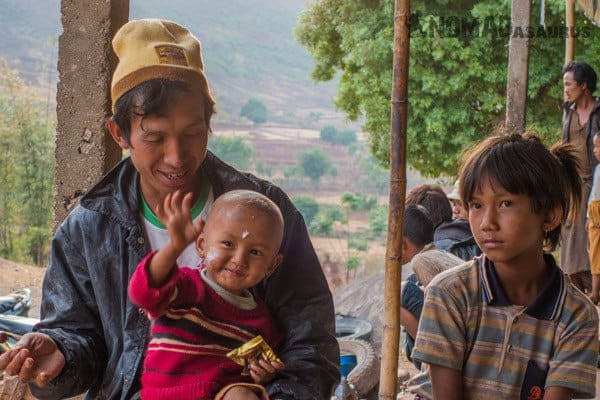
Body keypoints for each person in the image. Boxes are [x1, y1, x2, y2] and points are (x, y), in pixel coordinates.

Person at [0, 19, 338, 400]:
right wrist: (61, 355)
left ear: (209, 124)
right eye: (155, 137)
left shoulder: (269, 216)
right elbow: (80, 338)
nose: (177, 158)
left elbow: (312, 346)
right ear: (120, 134)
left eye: (192, 133)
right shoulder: (89, 228)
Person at [411, 133, 599, 399]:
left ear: (550, 215)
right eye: (476, 205)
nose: (487, 222)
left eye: (505, 203)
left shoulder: (576, 316)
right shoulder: (449, 294)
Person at [128, 189, 286, 400]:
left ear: (271, 267)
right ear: (201, 245)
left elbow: (254, 372)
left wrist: (265, 374)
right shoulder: (184, 288)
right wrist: (173, 248)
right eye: (228, 244)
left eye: (255, 252)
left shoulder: (262, 324)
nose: (239, 259)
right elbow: (143, 293)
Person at [399, 204, 464, 370]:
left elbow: (437, 308)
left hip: (455, 330)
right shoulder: (437, 252)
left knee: (399, 293)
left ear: (403, 244)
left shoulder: (420, 261)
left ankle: (427, 363)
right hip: (461, 320)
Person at [560, 61, 600, 293]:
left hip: (594, 184)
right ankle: (576, 287)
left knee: (589, 237)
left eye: (569, 84)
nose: (565, 89)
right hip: (572, 184)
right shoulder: (568, 112)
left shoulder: (598, 112)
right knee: (570, 238)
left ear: (584, 86)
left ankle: (591, 286)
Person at [406, 184, 480, 261]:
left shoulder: (437, 250)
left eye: (461, 204)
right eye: (454, 204)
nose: (455, 210)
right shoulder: (465, 234)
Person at [587, 132, 600, 304]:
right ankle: (595, 290)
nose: (595, 150)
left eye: (598, 146)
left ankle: (595, 292)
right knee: (594, 252)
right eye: (594, 146)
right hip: (594, 213)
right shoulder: (597, 168)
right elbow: (593, 195)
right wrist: (588, 217)